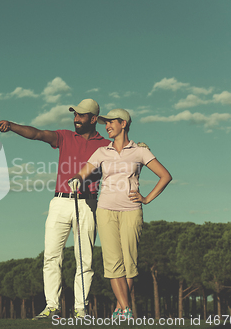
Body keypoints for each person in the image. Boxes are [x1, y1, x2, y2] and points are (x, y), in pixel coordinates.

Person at [0, 99, 110, 319]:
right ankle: (52, 307)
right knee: (51, 257)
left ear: (93, 119)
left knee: (84, 259)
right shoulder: (65, 137)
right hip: (60, 202)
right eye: (75, 114)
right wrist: (11, 126)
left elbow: (124, 153)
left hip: (88, 203)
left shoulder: (105, 145)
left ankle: (81, 309)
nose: (76, 119)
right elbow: (37, 134)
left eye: (81, 115)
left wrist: (139, 145)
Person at [68, 108, 172, 320]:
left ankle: (120, 308)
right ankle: (126, 308)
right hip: (105, 210)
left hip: (132, 211)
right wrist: (76, 179)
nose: (106, 126)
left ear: (123, 124)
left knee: (129, 263)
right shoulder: (101, 152)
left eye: (111, 122)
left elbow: (165, 176)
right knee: (112, 262)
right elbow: (84, 171)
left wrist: (146, 198)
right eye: (105, 123)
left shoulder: (140, 151)